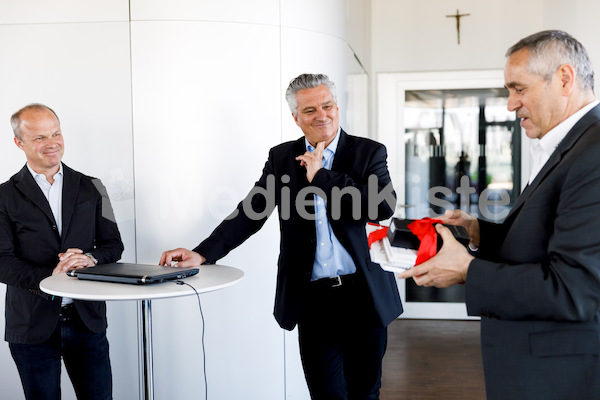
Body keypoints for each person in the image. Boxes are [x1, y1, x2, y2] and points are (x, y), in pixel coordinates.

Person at [160, 73, 402, 399]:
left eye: (327, 106)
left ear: (337, 106)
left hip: (364, 297)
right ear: (296, 117)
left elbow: (381, 205)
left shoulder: (368, 153)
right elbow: (251, 212)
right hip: (314, 301)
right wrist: (202, 253)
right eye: (310, 110)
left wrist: (322, 176)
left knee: (365, 392)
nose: (322, 116)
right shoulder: (282, 158)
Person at [399, 30, 600, 400]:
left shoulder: (593, 152)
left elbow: (575, 290)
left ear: (565, 79)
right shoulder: (572, 145)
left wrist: (466, 269)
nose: (510, 104)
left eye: (518, 89)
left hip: (558, 377)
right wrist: (479, 232)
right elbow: (544, 239)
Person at [0, 104, 124, 400]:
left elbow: (114, 244)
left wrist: (90, 259)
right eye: (40, 137)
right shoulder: (3, 196)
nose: (52, 143)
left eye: (56, 133)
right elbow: (1, 261)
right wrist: (49, 277)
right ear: (19, 143)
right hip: (31, 326)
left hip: (87, 321)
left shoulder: (94, 187)